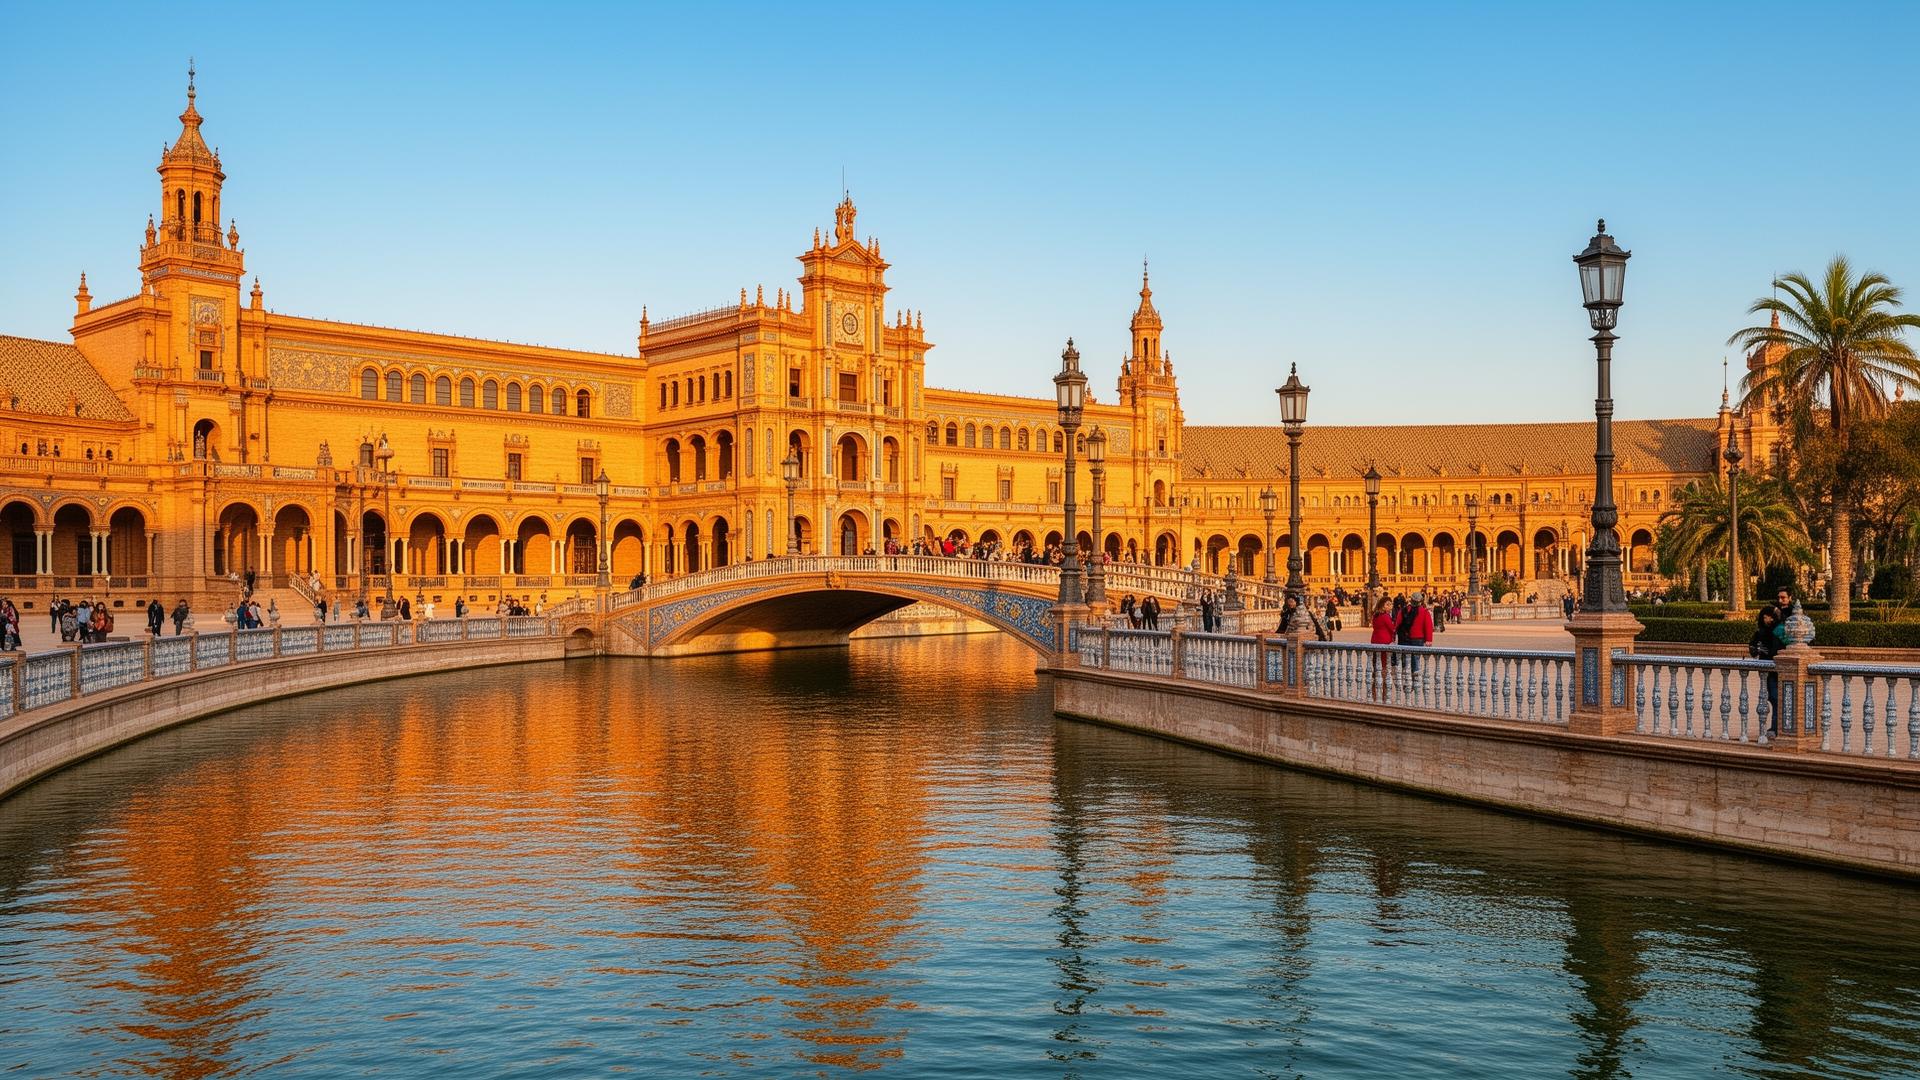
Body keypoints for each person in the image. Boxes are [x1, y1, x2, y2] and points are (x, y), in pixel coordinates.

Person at [1749, 604, 1782, 734]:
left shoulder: (1779, 631)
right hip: (1765, 670)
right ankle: (1774, 727)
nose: (1766, 619)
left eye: (1769, 617)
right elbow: (1752, 647)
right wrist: (1756, 649)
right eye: (1764, 617)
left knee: (1775, 698)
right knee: (1770, 697)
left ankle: (1776, 727)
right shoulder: (1760, 632)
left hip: (1776, 670)